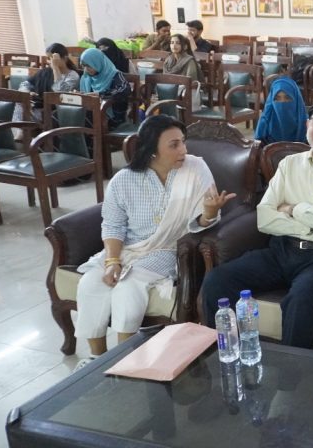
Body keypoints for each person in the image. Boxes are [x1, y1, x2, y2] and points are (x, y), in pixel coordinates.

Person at [201, 101, 313, 348]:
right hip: (282, 251)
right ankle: (226, 351)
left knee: (300, 298)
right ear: (307, 125)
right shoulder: (289, 164)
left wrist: (292, 209)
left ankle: (290, 370)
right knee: (218, 279)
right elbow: (265, 217)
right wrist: (312, 225)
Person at [74, 115, 234, 365]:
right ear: (151, 149)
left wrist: (210, 212)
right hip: (127, 248)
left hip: (166, 249)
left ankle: (125, 361)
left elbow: (201, 223)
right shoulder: (124, 180)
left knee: (128, 288)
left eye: (183, 142)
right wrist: (112, 261)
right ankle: (96, 360)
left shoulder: (195, 169)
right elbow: (113, 224)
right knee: (90, 283)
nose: (183, 150)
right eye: (174, 145)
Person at [13, 43, 80, 124]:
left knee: (24, 113)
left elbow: (59, 92)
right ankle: (18, 130)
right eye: (48, 58)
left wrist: (55, 68)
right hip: (36, 107)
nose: (50, 62)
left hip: (55, 112)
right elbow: (25, 84)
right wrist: (27, 93)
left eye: (52, 58)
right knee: (20, 102)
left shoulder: (72, 76)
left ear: (65, 58)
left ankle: (19, 129)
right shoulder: (45, 72)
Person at [79, 48, 132, 128]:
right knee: (70, 113)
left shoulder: (114, 75)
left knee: (83, 116)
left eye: (88, 65)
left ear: (97, 63)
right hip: (93, 113)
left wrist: (100, 94)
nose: (86, 69)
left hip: (112, 118)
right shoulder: (86, 77)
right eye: (83, 66)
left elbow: (124, 89)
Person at [255, 76, 308, 146]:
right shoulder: (265, 122)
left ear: (296, 99)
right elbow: (258, 146)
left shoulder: (307, 125)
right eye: (277, 98)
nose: (282, 102)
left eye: (287, 98)